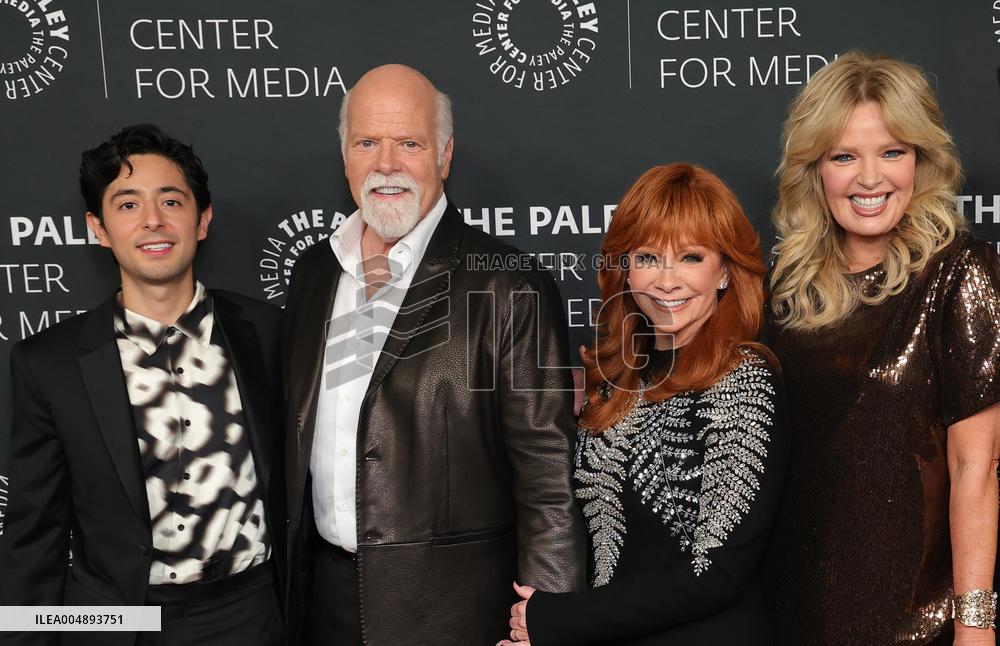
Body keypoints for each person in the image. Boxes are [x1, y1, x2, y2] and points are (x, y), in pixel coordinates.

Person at [282, 64, 586, 645]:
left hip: (454, 612)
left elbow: (548, 478)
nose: (387, 164)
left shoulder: (509, 285)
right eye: (366, 142)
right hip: (324, 605)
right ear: (344, 156)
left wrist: (548, 624)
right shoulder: (315, 273)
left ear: (444, 156)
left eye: (410, 143)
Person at [0, 124, 285, 646]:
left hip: (250, 614)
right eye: (127, 204)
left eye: (171, 201)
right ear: (99, 227)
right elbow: (33, 537)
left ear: (203, 220)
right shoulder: (49, 364)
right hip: (119, 620)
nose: (153, 220)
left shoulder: (269, 333)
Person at [763, 51, 1000, 645]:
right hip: (789, 606)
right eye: (845, 156)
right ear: (816, 169)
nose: (870, 179)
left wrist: (976, 622)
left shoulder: (959, 274)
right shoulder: (786, 289)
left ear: (922, 160)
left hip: (916, 620)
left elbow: (976, 467)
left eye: (892, 152)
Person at [500, 163, 789, 646]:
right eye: (649, 257)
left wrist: (557, 620)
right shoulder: (617, 380)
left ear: (725, 272)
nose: (667, 280)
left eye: (691, 257)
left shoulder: (745, 378)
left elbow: (716, 573)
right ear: (625, 268)